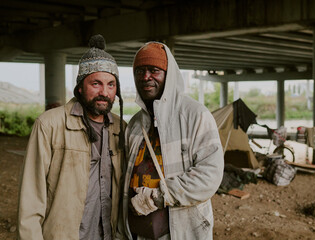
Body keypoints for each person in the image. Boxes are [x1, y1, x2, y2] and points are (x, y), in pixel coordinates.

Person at [17, 34, 126, 240]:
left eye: (111, 85)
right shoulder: (50, 124)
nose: (105, 92)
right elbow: (31, 198)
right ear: (79, 87)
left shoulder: (121, 128)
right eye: (96, 84)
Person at [117, 42, 224, 240]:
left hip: (181, 232)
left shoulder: (195, 115)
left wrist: (157, 197)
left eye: (154, 70)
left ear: (168, 75)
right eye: (140, 71)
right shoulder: (134, 125)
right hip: (138, 234)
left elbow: (209, 175)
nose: (146, 77)